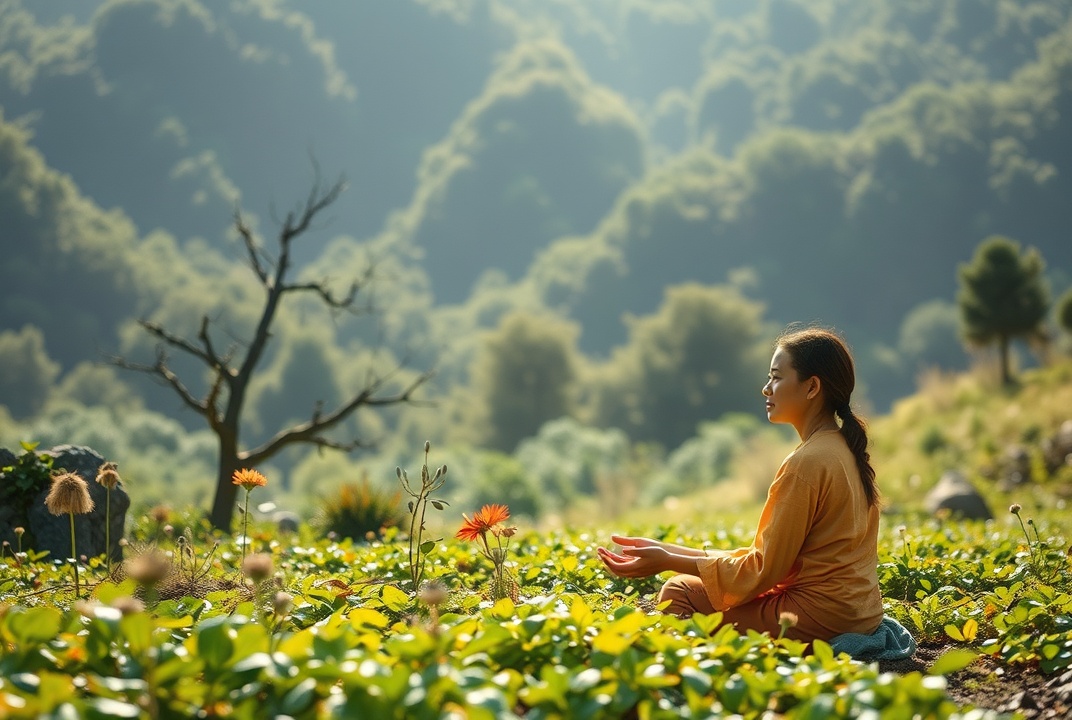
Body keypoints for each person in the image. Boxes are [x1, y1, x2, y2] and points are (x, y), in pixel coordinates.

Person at [597, 326, 884, 642]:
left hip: (821, 616)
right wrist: (665, 550)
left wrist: (666, 563)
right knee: (689, 585)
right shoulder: (844, 448)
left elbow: (763, 570)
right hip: (857, 612)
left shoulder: (806, 462)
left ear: (812, 386)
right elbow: (770, 561)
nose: (766, 389)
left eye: (776, 377)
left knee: (679, 592)